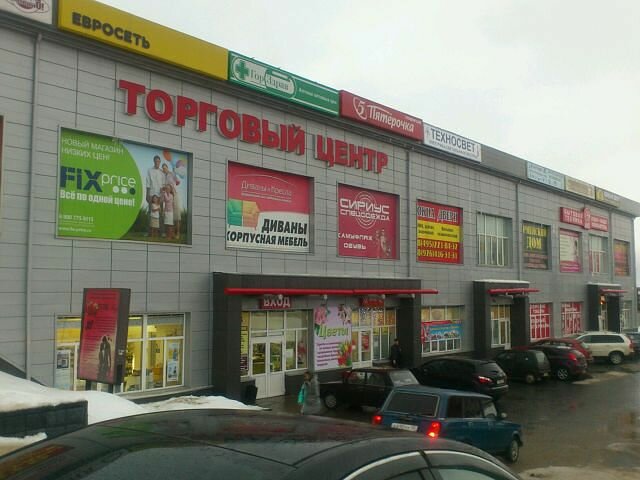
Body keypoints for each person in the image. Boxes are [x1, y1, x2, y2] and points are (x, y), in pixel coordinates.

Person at [146, 155, 165, 236]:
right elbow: (148, 183)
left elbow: (163, 185)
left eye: (158, 161)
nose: (157, 162)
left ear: (160, 162)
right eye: (156, 161)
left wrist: (162, 196)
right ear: (154, 161)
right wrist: (147, 195)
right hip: (151, 194)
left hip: (159, 195)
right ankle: (150, 232)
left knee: (160, 213)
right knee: (151, 212)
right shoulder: (149, 170)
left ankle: (161, 232)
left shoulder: (162, 172)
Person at [162, 163, 182, 240]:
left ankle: (178, 233)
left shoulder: (172, 174)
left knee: (177, 215)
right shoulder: (164, 177)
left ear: (167, 168)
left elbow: (178, 182)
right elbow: (166, 187)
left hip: (175, 194)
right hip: (169, 196)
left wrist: (173, 186)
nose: (164, 169)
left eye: (165, 168)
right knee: (171, 216)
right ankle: (172, 234)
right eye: (163, 169)